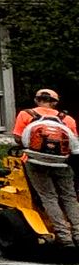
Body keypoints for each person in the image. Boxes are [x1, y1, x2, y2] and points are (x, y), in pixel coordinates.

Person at [14, 87, 79, 246]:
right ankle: (78, 233)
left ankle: (64, 237)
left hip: (35, 162)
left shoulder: (26, 114)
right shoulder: (67, 119)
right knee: (69, 197)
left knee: (49, 196)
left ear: (36, 100)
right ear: (55, 102)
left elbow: (19, 138)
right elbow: (73, 143)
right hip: (63, 163)